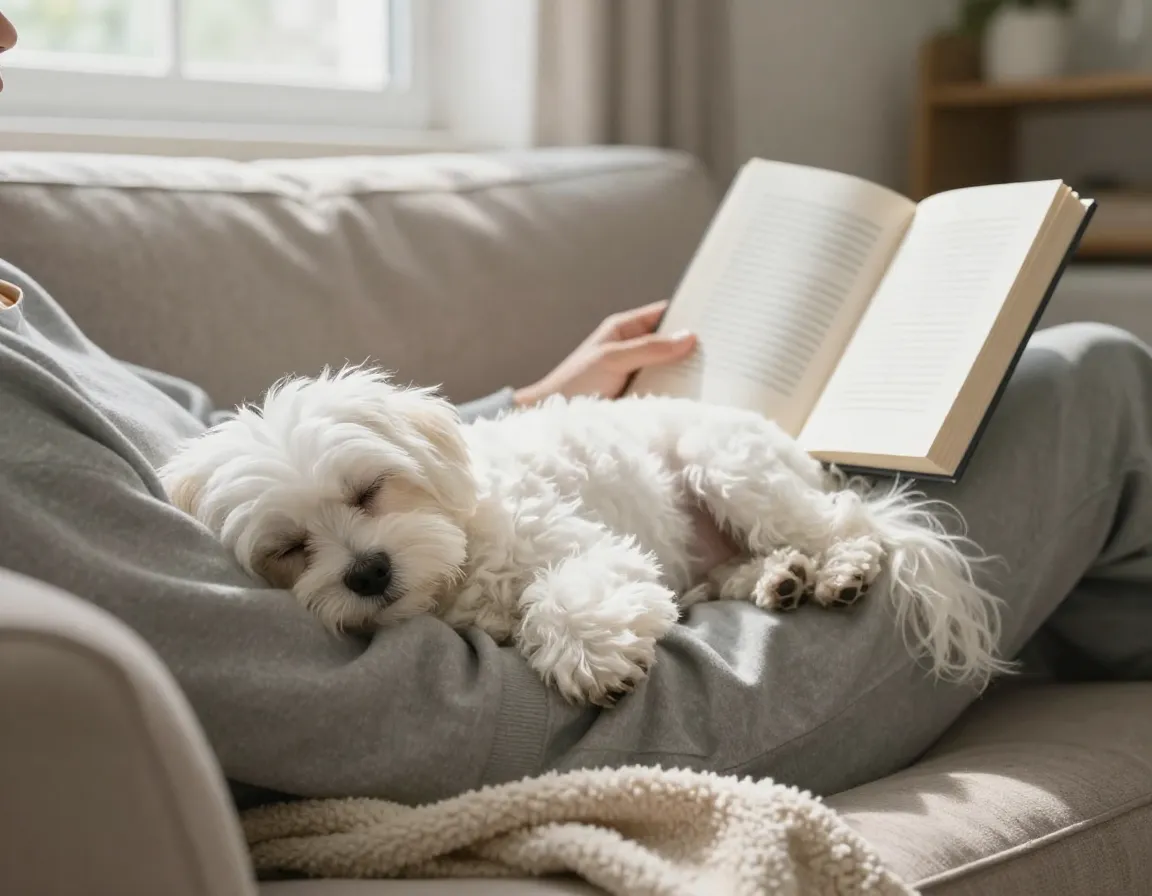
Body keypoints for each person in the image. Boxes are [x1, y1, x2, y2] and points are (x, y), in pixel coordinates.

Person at [1, 7, 1150, 811]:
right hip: (561, 704)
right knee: (1095, 376)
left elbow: (237, 446)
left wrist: (532, 401)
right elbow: (300, 694)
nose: (10, 31)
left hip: (593, 570)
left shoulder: (21, 296)